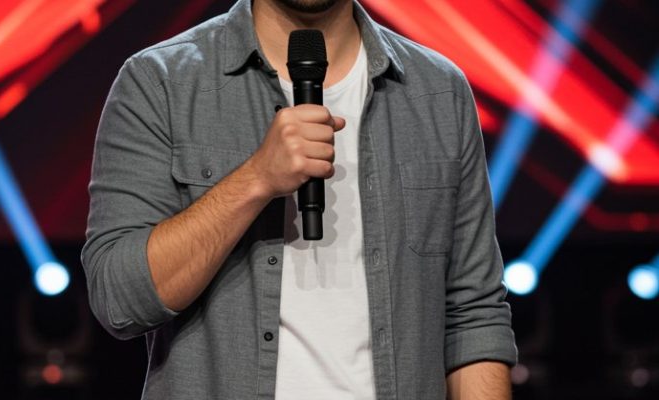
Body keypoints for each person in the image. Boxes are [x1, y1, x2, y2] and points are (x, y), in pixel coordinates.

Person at [82, 0, 518, 398]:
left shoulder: (438, 92)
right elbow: (119, 300)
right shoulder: (161, 82)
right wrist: (255, 179)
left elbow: (474, 316)